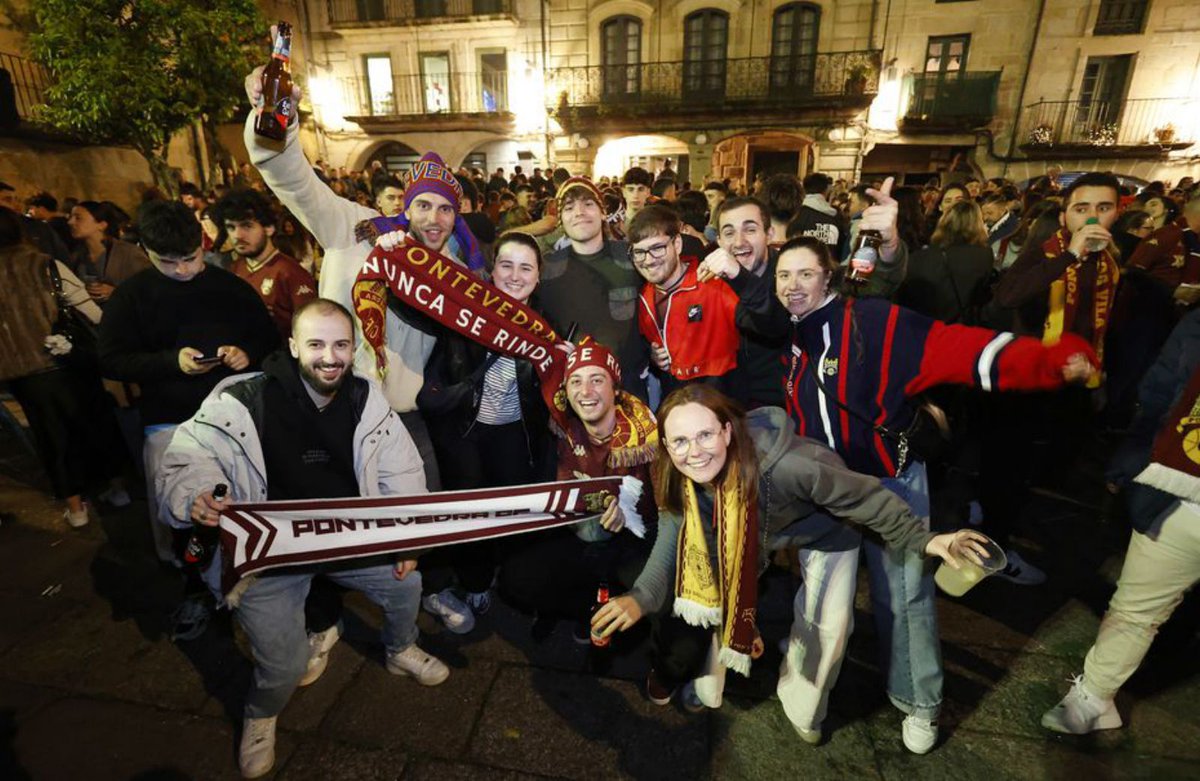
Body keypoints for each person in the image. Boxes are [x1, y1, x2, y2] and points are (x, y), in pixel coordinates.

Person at [741, 178, 1099, 752]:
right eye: (785, 275)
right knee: (821, 598)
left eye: (805, 273)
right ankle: (805, 694)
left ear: (829, 275)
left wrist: (1051, 363)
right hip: (826, 489)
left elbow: (968, 351)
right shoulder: (789, 336)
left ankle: (920, 703)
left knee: (904, 595)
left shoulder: (880, 322)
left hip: (891, 478)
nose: (792, 285)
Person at [591, 384, 991, 744]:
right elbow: (672, 534)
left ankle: (803, 707)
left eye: (705, 435)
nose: (694, 452)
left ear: (727, 432)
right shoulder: (680, 473)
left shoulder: (790, 467)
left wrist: (926, 539)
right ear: (665, 444)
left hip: (825, 530)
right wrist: (641, 597)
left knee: (827, 629)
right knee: (714, 603)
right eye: (679, 441)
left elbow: (864, 498)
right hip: (755, 538)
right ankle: (715, 677)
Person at [157, 299, 449, 779]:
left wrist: (409, 538)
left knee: (405, 585)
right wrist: (195, 496)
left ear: (354, 348)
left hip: (346, 537)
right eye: (315, 343)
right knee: (285, 665)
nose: (329, 356)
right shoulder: (242, 399)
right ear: (293, 346)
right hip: (267, 556)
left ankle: (399, 650)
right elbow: (189, 455)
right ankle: (262, 712)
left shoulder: (365, 398)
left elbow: (402, 470)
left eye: (340, 344)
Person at [242, 65, 484, 495]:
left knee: (420, 518)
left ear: (456, 215)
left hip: (404, 417)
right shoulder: (353, 228)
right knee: (334, 518)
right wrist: (277, 117)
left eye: (445, 209)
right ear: (406, 208)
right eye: (423, 205)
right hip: (334, 404)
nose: (433, 218)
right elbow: (294, 181)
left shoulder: (456, 269)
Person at [98, 200, 278, 634]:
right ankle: (195, 586)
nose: (182, 270)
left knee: (243, 503)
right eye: (168, 262)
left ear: (203, 243)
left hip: (231, 417)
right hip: (170, 421)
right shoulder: (132, 296)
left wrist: (245, 353)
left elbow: (268, 336)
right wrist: (168, 363)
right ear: (145, 250)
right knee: (184, 511)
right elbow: (111, 360)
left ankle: (255, 574)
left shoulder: (229, 286)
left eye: (191, 259)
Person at [1043, 307, 1200, 735]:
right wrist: (1134, 456)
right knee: (1134, 609)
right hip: (1183, 495)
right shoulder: (1196, 324)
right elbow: (1158, 391)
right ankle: (1095, 696)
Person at [415, 233, 556, 631]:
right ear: (491, 271)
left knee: (511, 512)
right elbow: (415, 305)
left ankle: (510, 579)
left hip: (516, 434)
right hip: (465, 432)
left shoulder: (545, 326)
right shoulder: (462, 312)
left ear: (538, 277)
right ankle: (475, 582)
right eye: (506, 265)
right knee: (472, 512)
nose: (515, 276)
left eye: (526, 267)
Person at [502, 340, 656, 642]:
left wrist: (631, 514)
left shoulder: (648, 437)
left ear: (615, 388)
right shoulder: (563, 426)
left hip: (634, 540)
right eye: (576, 381)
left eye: (596, 380)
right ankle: (582, 610)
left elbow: (670, 513)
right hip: (575, 529)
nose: (585, 392)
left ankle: (620, 616)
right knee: (515, 579)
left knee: (661, 596)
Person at [0, 206, 128, 529]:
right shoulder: (45, 265)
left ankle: (76, 508)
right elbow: (89, 311)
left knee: (51, 436)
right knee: (94, 422)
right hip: (66, 361)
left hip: (22, 373)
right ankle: (118, 488)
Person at [539, 176, 649, 401]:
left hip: (629, 387)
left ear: (602, 212)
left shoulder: (631, 257)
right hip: (575, 391)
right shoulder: (546, 269)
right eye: (569, 207)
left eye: (588, 204)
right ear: (560, 219)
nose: (579, 212)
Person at [630, 204, 752, 396]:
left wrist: (742, 278)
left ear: (677, 244)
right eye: (639, 252)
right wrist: (651, 355)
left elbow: (768, 324)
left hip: (721, 407)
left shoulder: (713, 284)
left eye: (657, 248)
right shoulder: (642, 297)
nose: (648, 260)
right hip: (674, 406)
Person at [707, 196, 785, 408]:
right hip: (730, 408)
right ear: (720, 242)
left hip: (781, 409)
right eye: (729, 233)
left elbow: (776, 324)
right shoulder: (713, 279)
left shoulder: (790, 274)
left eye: (750, 230)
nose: (739, 242)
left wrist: (739, 276)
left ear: (769, 234)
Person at [214, 189, 317, 340]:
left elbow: (311, 334)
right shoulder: (235, 269)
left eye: (247, 226)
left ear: (269, 228)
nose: (237, 235)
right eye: (231, 227)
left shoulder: (292, 274)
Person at [899, 200, 996, 325]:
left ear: (944, 222)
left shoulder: (919, 258)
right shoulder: (985, 256)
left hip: (924, 328)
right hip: (963, 331)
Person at [67, 200, 150, 304]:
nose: (70, 222)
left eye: (78, 218)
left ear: (101, 225)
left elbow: (150, 286)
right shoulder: (76, 256)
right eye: (70, 217)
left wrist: (117, 292)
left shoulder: (128, 252)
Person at [789, 172, 846, 258]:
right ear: (826, 190)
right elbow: (842, 248)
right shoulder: (835, 216)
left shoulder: (795, 214)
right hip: (830, 267)